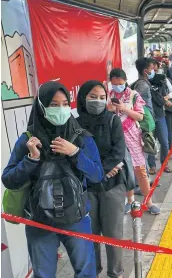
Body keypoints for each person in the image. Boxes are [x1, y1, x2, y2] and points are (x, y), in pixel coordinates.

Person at [2, 81, 104, 278]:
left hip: (76, 218)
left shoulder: (80, 137)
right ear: (41, 107)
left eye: (65, 104)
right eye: (54, 105)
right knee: (43, 274)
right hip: (40, 221)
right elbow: (9, 180)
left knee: (86, 273)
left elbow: (97, 175)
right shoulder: (28, 140)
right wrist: (31, 159)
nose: (61, 109)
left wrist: (75, 153)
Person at [77, 80, 126, 278]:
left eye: (102, 97)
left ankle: (116, 273)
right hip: (86, 187)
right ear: (83, 98)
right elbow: (74, 154)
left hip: (112, 185)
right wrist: (94, 173)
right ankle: (92, 272)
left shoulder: (113, 121)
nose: (98, 101)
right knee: (91, 234)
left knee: (113, 233)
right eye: (93, 97)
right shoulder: (75, 124)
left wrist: (101, 172)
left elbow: (118, 152)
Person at [108, 68, 160, 215]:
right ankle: (130, 201)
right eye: (114, 83)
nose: (117, 86)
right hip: (117, 138)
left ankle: (149, 202)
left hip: (133, 137)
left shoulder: (133, 95)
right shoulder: (110, 95)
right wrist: (109, 109)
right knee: (125, 170)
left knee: (140, 171)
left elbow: (140, 117)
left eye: (120, 83)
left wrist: (124, 109)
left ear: (125, 81)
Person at [149, 61, 172, 174]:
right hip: (148, 116)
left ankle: (165, 163)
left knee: (164, 142)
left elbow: (166, 93)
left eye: (154, 68)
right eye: (150, 69)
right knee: (150, 142)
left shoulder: (162, 80)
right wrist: (164, 100)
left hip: (160, 115)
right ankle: (152, 166)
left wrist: (165, 98)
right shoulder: (144, 83)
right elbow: (157, 97)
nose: (152, 71)